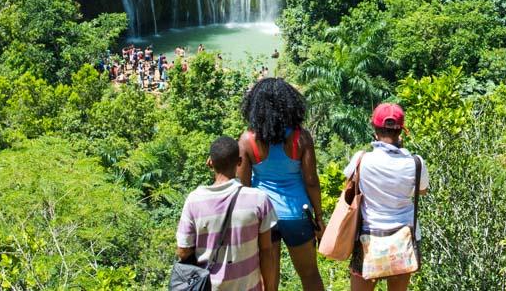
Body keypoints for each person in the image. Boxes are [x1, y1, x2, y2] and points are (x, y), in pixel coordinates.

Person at [238, 78, 325, 291]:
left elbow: (243, 186)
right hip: (297, 214)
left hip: (263, 216)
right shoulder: (301, 138)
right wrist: (319, 218)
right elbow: (311, 181)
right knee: (310, 274)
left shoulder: (248, 140)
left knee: (269, 281)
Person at [344, 103, 429, 291]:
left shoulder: (361, 159)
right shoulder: (416, 163)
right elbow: (422, 190)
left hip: (368, 237)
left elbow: (349, 186)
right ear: (401, 131)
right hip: (404, 238)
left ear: (375, 129)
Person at [176, 135, 277, 291]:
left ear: (210, 162)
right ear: (239, 162)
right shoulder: (259, 199)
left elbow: (183, 250)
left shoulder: (194, 201)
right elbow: (266, 252)